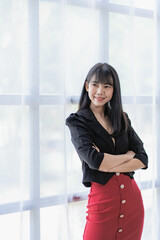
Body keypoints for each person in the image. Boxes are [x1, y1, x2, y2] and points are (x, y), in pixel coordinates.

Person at [65, 63, 148, 240]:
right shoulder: (78, 122)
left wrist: (107, 163)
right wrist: (126, 156)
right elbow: (95, 161)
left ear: (113, 90)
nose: (100, 91)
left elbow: (142, 158)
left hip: (133, 204)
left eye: (107, 86)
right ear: (87, 86)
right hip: (102, 204)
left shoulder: (122, 118)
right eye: (95, 85)